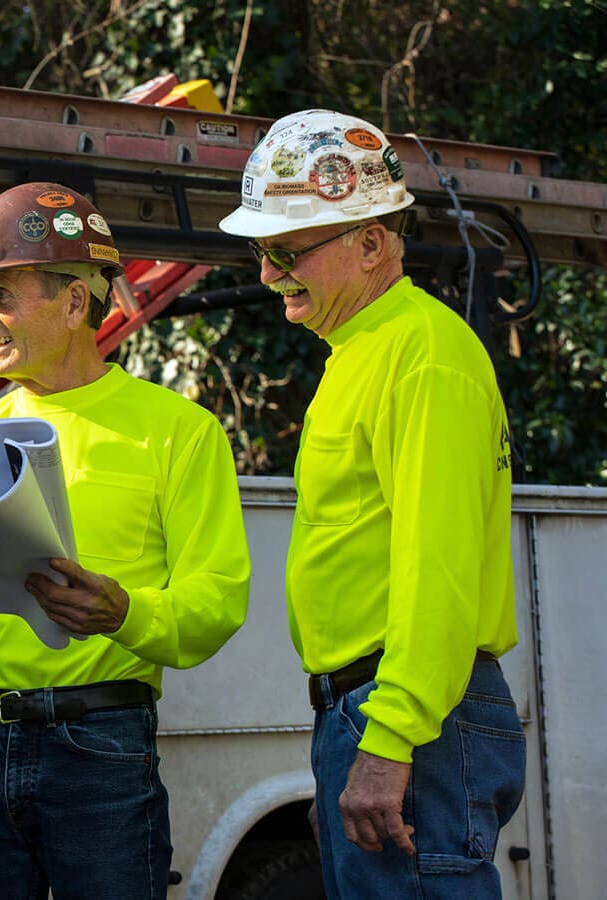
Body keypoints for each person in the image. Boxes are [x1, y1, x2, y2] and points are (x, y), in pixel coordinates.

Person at [0, 182, 252, 899]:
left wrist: (124, 614)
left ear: (75, 302)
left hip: (101, 750)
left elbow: (218, 601)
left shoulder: (178, 431)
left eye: (1, 296)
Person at [219, 109, 523, 899]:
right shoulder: (371, 350)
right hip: (392, 711)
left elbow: (439, 567)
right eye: (261, 252)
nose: (267, 273)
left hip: (411, 712)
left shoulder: (420, 353)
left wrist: (386, 744)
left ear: (370, 241)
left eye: (287, 251)